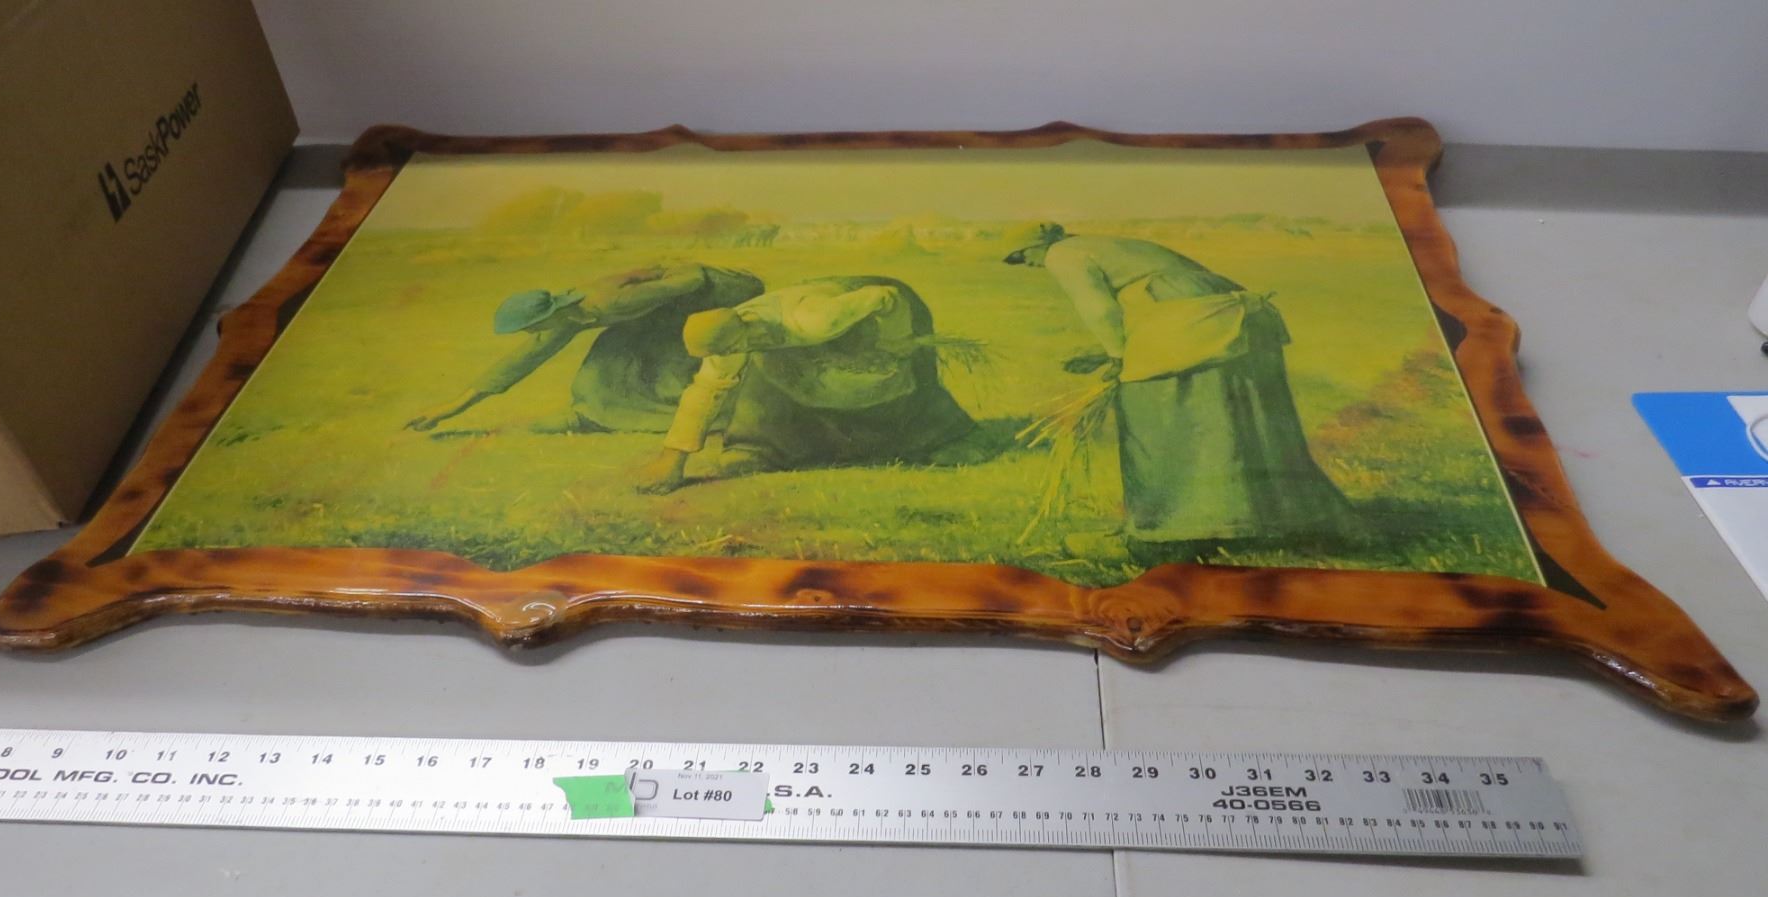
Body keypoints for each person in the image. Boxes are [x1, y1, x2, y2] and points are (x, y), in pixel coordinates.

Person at [1003, 222, 1350, 558]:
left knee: (1153, 417)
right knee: (1239, 424)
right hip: (1233, 321)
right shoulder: (1101, 245)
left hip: (1197, 325)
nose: (1027, 264)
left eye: (1021, 256)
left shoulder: (1062, 254)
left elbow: (1099, 309)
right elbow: (1150, 302)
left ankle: (1165, 534)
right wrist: (1108, 352)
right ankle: (1283, 522)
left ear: (1037, 246)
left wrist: (1117, 356)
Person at [635, 276, 976, 493]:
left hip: (869, 318)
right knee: (778, 384)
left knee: (884, 384)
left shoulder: (814, 319)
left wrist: (895, 341)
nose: (721, 357)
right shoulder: (728, 340)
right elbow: (706, 390)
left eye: (724, 350)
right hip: (811, 336)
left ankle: (940, 439)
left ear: (738, 335)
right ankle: (762, 450)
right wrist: (673, 459)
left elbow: (884, 296)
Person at [404, 263, 763, 434]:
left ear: (544, 318)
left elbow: (695, 278)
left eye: (528, 328)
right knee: (605, 361)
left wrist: (657, 280)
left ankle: (714, 421)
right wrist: (450, 409)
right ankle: (594, 415)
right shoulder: (567, 316)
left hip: (721, 296)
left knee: (660, 362)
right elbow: (522, 359)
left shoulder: (610, 303)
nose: (529, 334)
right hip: (661, 313)